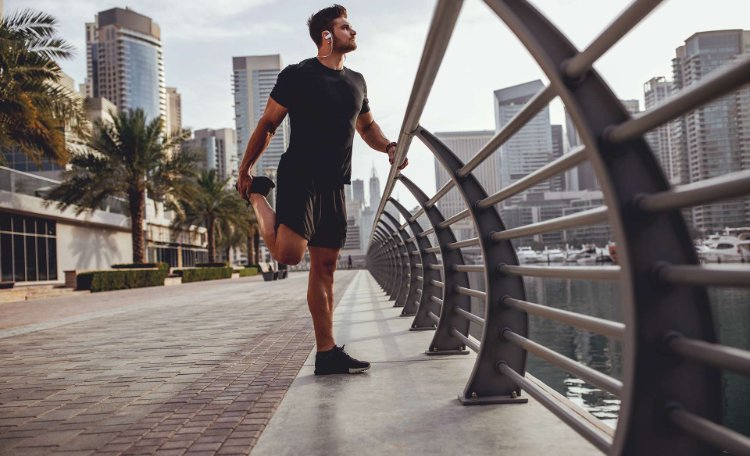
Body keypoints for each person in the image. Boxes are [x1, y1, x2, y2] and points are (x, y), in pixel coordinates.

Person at [236, 4, 407, 375]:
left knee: (325, 266)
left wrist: (390, 146)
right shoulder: (298, 75)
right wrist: (245, 169)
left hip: (334, 183)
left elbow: (367, 129)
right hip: (300, 173)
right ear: (327, 36)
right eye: (347, 27)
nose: (354, 32)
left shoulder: (357, 82)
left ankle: (326, 352)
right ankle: (257, 198)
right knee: (288, 255)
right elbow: (268, 123)